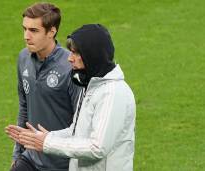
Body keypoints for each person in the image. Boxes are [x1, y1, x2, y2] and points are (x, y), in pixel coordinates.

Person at [8, 24, 136, 171]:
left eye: (75, 53)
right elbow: (76, 132)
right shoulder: (90, 85)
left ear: (91, 56)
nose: (70, 58)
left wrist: (47, 143)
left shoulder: (112, 93)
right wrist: (44, 137)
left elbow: (97, 147)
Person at [5, 2, 82, 171]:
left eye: (33, 31)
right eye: (24, 29)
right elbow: (24, 106)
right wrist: (17, 155)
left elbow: (81, 123)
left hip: (61, 164)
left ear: (52, 32)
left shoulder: (70, 66)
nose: (26, 36)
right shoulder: (23, 58)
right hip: (30, 159)